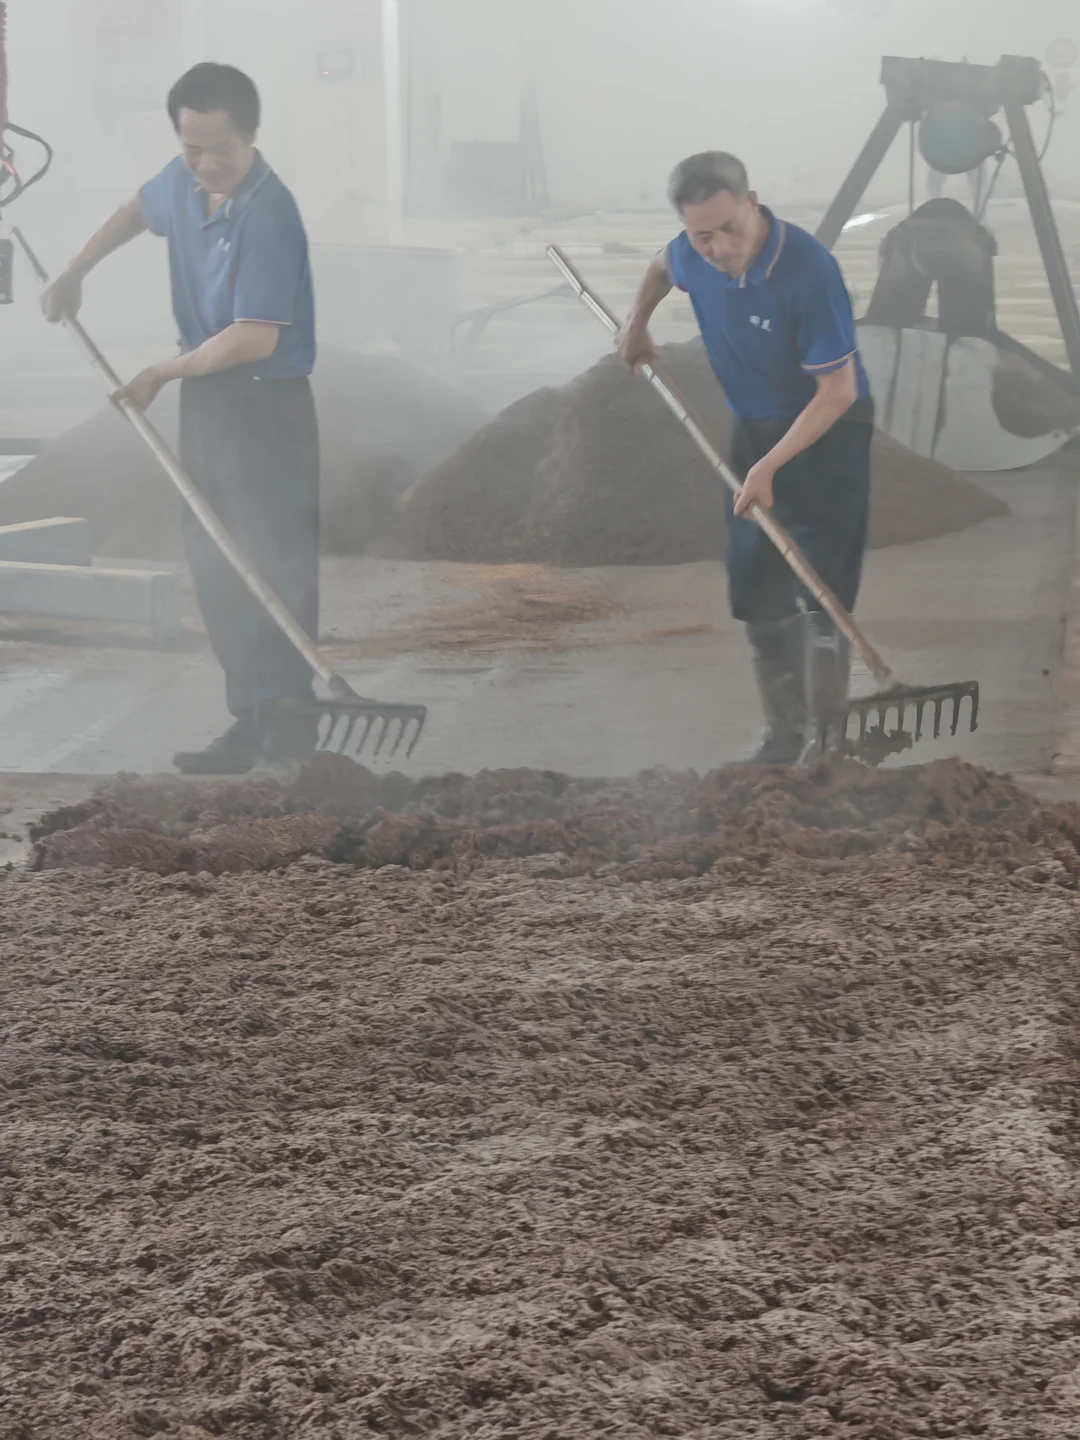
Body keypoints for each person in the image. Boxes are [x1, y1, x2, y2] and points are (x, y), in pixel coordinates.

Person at [41, 63, 319, 775]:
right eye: (190, 147)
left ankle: (287, 722)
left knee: (270, 556)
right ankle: (248, 718)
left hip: (264, 404)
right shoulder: (187, 182)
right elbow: (138, 206)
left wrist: (163, 371)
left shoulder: (269, 211)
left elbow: (254, 336)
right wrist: (77, 270)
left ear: (250, 136)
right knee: (215, 556)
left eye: (217, 149)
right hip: (211, 397)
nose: (203, 164)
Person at [618, 151, 874, 764]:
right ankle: (782, 738)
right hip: (754, 425)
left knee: (820, 581)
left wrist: (769, 469)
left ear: (753, 203)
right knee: (755, 575)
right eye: (703, 234)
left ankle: (826, 744)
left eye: (730, 227)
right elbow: (661, 264)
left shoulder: (808, 271)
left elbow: (837, 391)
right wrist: (636, 323)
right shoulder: (691, 251)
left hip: (826, 428)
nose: (717, 245)